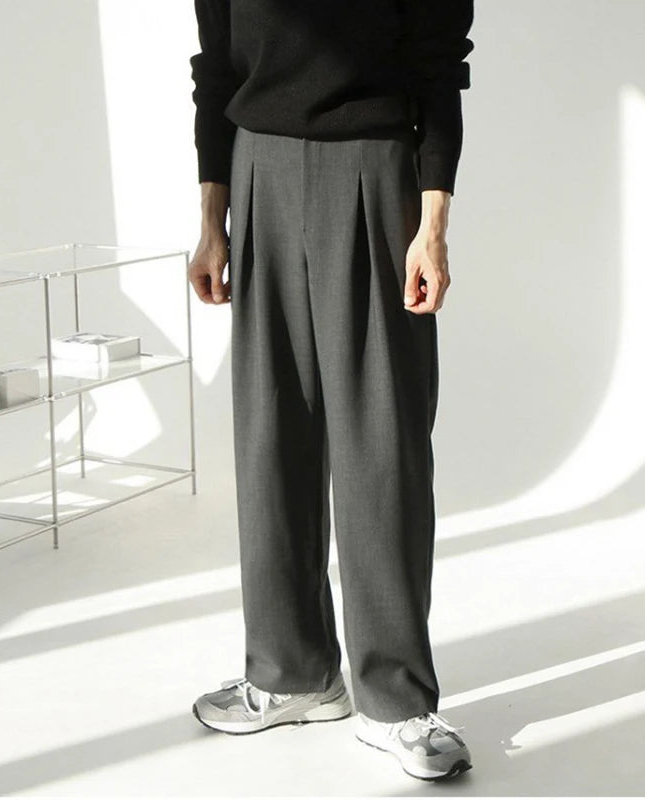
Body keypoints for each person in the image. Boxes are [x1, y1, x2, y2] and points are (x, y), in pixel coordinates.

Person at [186, 0, 475, 783]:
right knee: (270, 432)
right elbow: (217, 69)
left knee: (382, 439)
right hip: (257, 165)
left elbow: (439, 69)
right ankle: (292, 671)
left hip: (375, 169)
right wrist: (213, 217)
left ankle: (397, 700)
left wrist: (432, 225)